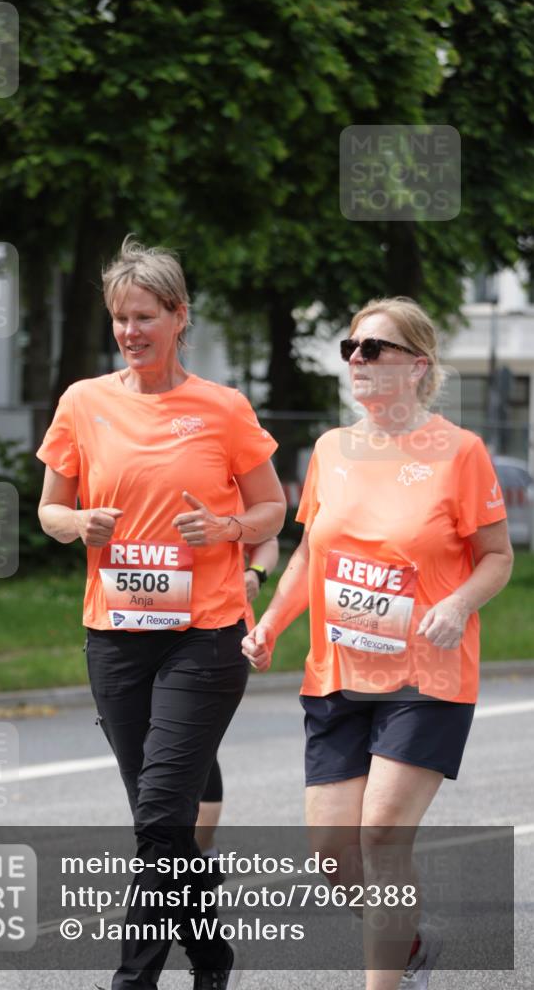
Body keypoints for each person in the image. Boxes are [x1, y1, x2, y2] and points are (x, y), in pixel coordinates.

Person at [242, 297, 513, 990]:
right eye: (350, 348)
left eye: (373, 349)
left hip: (425, 677)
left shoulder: (459, 452)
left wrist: (456, 602)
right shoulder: (332, 450)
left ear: (417, 366)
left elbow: (495, 556)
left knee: (382, 834)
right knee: (334, 857)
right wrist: (271, 623)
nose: (356, 361)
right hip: (337, 674)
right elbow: (308, 555)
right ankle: (410, 944)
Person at [37, 237, 286, 990]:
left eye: (144, 316)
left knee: (157, 818)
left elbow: (274, 507)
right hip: (114, 638)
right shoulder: (83, 401)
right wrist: (78, 525)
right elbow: (49, 507)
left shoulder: (222, 407)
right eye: (119, 319)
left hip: (204, 637)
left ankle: (132, 981)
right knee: (163, 827)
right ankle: (211, 958)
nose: (129, 332)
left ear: (179, 317)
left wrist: (230, 530)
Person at [195, 537, 280, 857]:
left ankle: (198, 854)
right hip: (132, 634)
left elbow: (266, 539)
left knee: (195, 745)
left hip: (214, 630)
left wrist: (255, 573)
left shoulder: (233, 486)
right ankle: (173, 856)